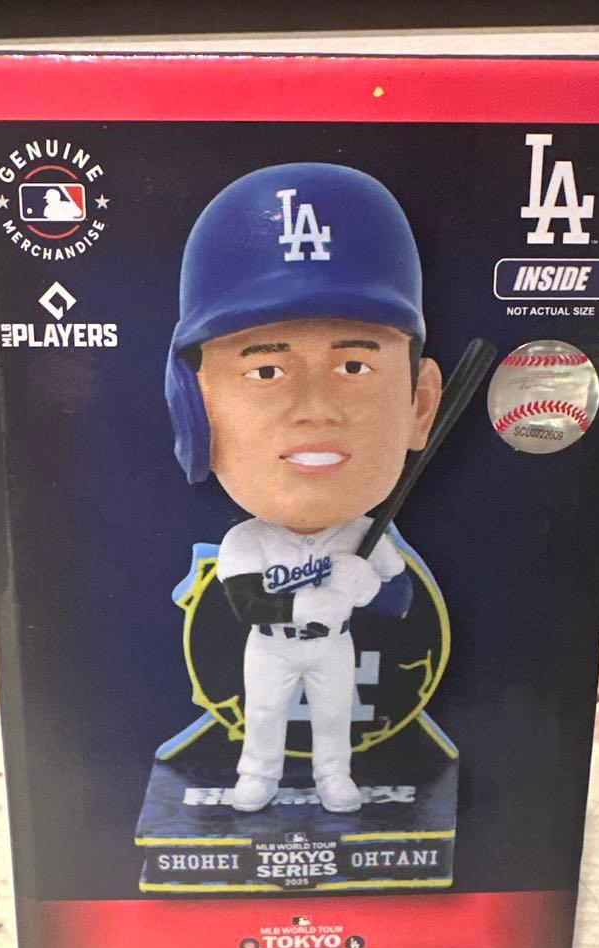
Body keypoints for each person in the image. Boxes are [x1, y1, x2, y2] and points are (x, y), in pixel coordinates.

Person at [165, 163, 442, 812]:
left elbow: (399, 599)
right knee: (262, 716)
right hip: (272, 647)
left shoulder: (365, 536)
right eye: (266, 370)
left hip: (335, 645)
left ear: (420, 403)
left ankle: (334, 779)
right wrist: (311, 603)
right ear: (195, 410)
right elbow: (246, 605)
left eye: (354, 365)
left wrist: (365, 587)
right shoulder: (247, 541)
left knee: (334, 716)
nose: (315, 409)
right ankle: (256, 780)